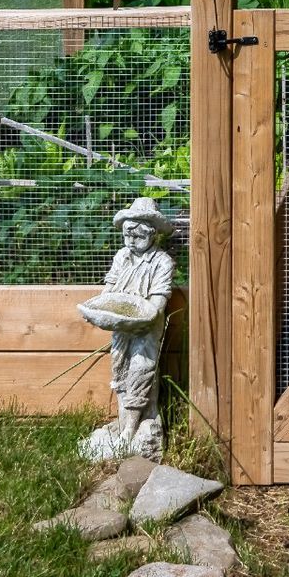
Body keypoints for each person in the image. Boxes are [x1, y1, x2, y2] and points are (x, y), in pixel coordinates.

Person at [78, 197, 176, 460]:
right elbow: (109, 289)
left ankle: (131, 432)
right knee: (120, 370)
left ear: (152, 234)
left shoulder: (162, 262)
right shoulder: (122, 256)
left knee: (142, 371)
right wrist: (98, 309)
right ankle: (124, 426)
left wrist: (146, 313)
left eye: (138, 235)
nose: (131, 241)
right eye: (127, 235)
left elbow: (158, 300)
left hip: (147, 327)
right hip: (121, 326)